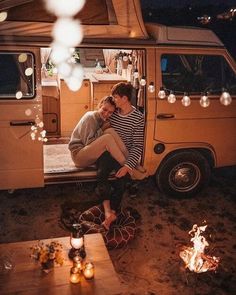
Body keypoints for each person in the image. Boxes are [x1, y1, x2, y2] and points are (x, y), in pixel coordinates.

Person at [68, 95, 130, 229]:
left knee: (111, 131)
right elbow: (88, 142)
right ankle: (130, 168)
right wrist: (103, 130)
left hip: (89, 152)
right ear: (100, 105)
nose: (106, 114)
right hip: (79, 155)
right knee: (108, 136)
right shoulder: (91, 117)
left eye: (110, 112)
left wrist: (105, 128)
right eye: (104, 110)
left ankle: (129, 162)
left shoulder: (102, 120)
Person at [96, 82, 145, 229]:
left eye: (115, 97)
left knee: (121, 179)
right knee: (101, 173)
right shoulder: (113, 112)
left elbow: (137, 146)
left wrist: (127, 166)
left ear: (124, 98)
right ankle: (107, 211)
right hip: (108, 152)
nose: (113, 100)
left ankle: (113, 213)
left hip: (123, 155)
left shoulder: (138, 118)